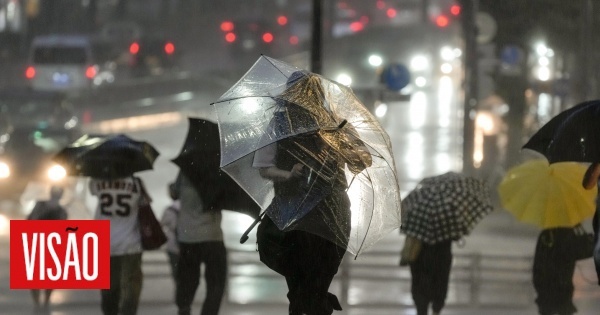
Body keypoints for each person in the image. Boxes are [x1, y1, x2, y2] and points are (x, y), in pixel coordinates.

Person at [254, 72, 372, 315]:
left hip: (328, 213)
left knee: (311, 282)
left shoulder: (336, 125)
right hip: (296, 214)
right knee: (303, 285)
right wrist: (289, 174)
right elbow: (265, 168)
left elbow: (362, 161)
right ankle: (317, 304)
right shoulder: (279, 125)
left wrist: (345, 147)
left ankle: (316, 302)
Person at [90, 175, 147, 315]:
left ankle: (110, 311)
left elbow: (92, 189)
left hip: (106, 242)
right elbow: (145, 203)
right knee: (131, 285)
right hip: (131, 243)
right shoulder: (136, 183)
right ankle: (128, 312)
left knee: (109, 285)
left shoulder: (98, 181)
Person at [174, 171, 227, 315]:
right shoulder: (220, 173)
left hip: (188, 236)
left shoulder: (185, 170)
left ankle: (184, 308)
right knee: (216, 286)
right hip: (212, 236)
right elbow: (228, 198)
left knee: (187, 280)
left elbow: (174, 193)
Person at [533, 225, 594, 315]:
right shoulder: (567, 235)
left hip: (546, 289)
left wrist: (539, 285)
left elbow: (537, 263)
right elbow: (583, 250)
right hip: (563, 288)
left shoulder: (546, 235)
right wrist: (588, 239)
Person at [26, 186, 68, 311]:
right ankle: (37, 303)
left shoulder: (61, 210)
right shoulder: (40, 205)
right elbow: (30, 220)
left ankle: (45, 302)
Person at [400, 236, 452, 315]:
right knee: (439, 286)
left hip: (419, 253)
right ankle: (435, 310)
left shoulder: (417, 227)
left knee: (420, 289)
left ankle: (424, 310)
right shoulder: (446, 228)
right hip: (441, 254)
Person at [160, 182, 180, 288]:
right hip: (187, 244)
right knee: (187, 273)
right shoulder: (187, 207)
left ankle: (179, 296)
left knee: (176, 273)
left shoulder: (169, 210)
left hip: (173, 246)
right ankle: (186, 296)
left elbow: (160, 225)